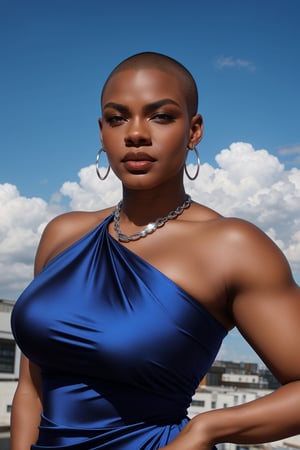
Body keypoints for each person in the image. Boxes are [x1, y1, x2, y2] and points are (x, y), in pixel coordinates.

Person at [10, 51, 300, 450]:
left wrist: (207, 428)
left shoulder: (232, 246)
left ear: (194, 130)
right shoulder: (63, 234)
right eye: (117, 118)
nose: (135, 134)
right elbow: (31, 387)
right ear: (102, 132)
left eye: (160, 116)